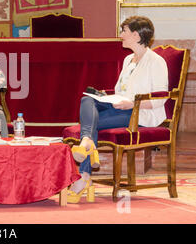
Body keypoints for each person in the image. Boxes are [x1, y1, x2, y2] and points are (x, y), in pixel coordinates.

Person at [68, 16, 168, 203]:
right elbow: (121, 91)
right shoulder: (128, 60)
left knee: (91, 123)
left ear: (136, 35)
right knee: (87, 100)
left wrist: (131, 104)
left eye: (124, 31)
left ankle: (84, 174)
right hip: (121, 107)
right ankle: (88, 142)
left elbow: (160, 98)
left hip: (139, 113)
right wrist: (107, 98)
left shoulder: (156, 62)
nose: (120, 35)